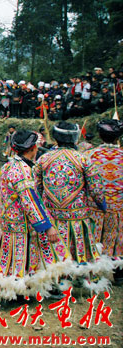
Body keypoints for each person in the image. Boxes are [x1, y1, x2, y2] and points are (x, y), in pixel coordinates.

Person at [0, 130, 72, 303]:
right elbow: (30, 201)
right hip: (21, 223)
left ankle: (11, 291)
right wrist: (46, 226)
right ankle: (16, 294)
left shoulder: (9, 166)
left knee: (11, 258)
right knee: (21, 257)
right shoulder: (23, 171)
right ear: (33, 148)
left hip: (9, 220)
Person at [35, 122, 110, 293]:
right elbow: (96, 188)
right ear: (75, 138)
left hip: (52, 217)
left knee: (56, 250)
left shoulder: (43, 159)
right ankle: (83, 279)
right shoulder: (83, 159)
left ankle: (57, 282)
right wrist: (102, 204)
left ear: (56, 138)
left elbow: (36, 189)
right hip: (78, 216)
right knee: (80, 248)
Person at [87, 119, 123, 285]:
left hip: (95, 206)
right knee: (117, 240)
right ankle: (119, 274)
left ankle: (92, 275)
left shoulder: (89, 156)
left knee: (94, 239)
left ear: (100, 135)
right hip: (118, 207)